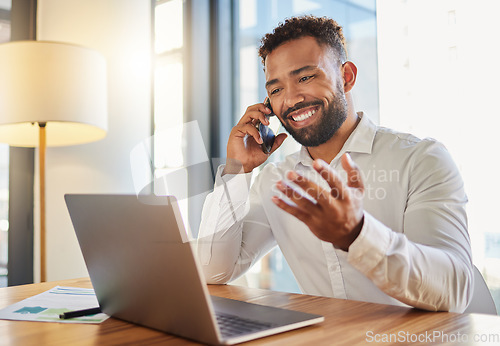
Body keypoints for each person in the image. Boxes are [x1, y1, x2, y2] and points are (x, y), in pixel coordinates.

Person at [197, 15, 473, 312]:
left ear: (347, 77)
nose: (290, 99)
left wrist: (358, 235)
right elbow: (213, 271)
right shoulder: (276, 180)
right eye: (276, 90)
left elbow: (454, 290)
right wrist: (237, 171)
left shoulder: (420, 159)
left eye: (305, 77)